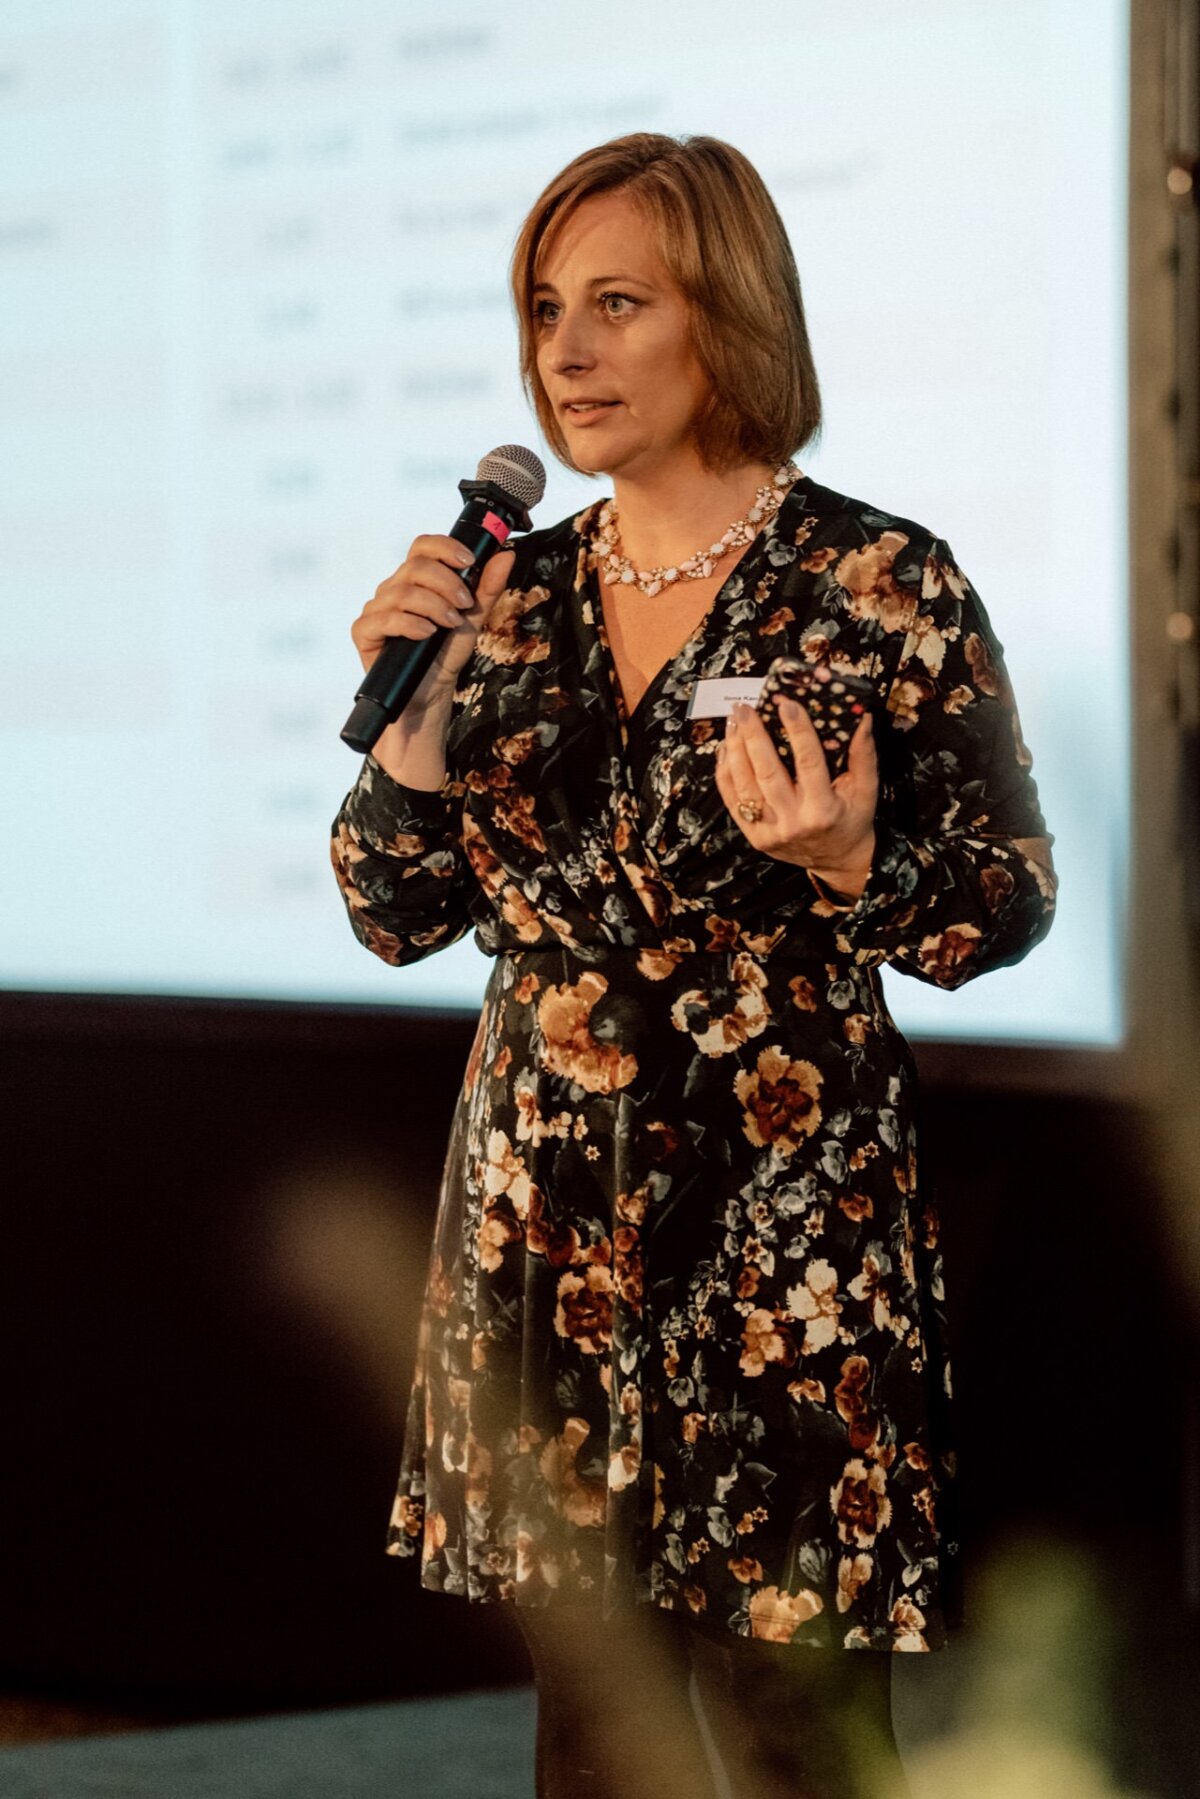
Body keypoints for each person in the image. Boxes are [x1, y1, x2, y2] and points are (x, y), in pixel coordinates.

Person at [331, 133, 1056, 1799]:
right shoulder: (503, 599)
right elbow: (392, 909)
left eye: (618, 304)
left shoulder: (880, 581)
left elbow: (1003, 902)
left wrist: (858, 863)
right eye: (544, 308)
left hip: (786, 1218)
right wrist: (416, 741)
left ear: (724, 315)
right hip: (547, 1217)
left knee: (803, 1729)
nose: (566, 353)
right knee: (596, 1733)